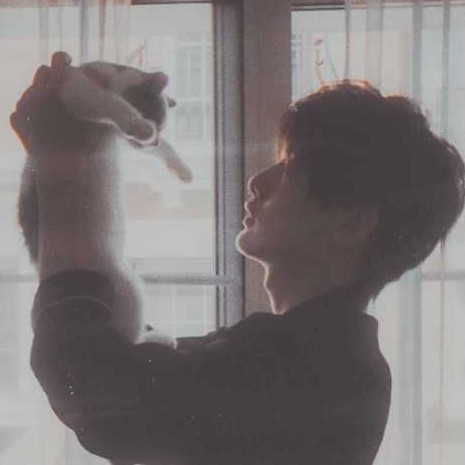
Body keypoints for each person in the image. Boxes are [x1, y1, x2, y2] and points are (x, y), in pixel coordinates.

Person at [10, 62, 464, 465]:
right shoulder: (308, 355)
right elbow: (111, 352)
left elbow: (92, 380)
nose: (258, 182)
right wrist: (66, 157)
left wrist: (60, 161)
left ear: (353, 222)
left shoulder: (320, 372)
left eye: (290, 168)